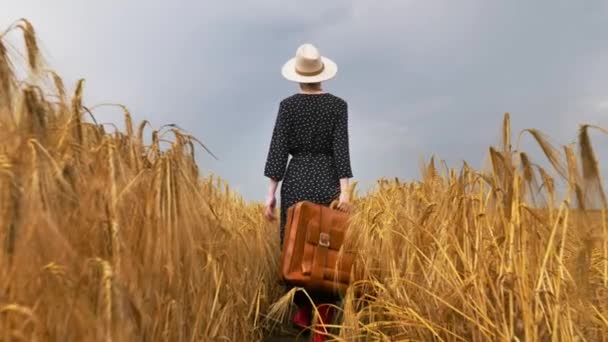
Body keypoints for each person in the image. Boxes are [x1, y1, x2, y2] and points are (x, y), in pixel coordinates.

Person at [263, 43, 353, 342]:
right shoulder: (338, 106)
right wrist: (345, 194)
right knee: (327, 250)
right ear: (322, 73)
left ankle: (302, 310)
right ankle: (324, 321)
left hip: (297, 179)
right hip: (327, 180)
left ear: (297, 75)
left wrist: (270, 196)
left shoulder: (287, 106)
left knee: (296, 247)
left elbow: (278, 150)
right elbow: (341, 150)